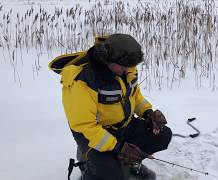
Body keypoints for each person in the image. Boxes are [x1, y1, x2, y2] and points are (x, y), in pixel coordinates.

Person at [56, 34, 172, 180]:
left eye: (130, 66)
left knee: (163, 135)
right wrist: (119, 147)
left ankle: (130, 164)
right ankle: (89, 168)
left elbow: (135, 96)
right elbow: (85, 126)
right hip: (93, 136)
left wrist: (148, 113)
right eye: (123, 66)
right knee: (113, 176)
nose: (127, 70)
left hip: (124, 126)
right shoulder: (81, 80)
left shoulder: (126, 66)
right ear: (108, 59)